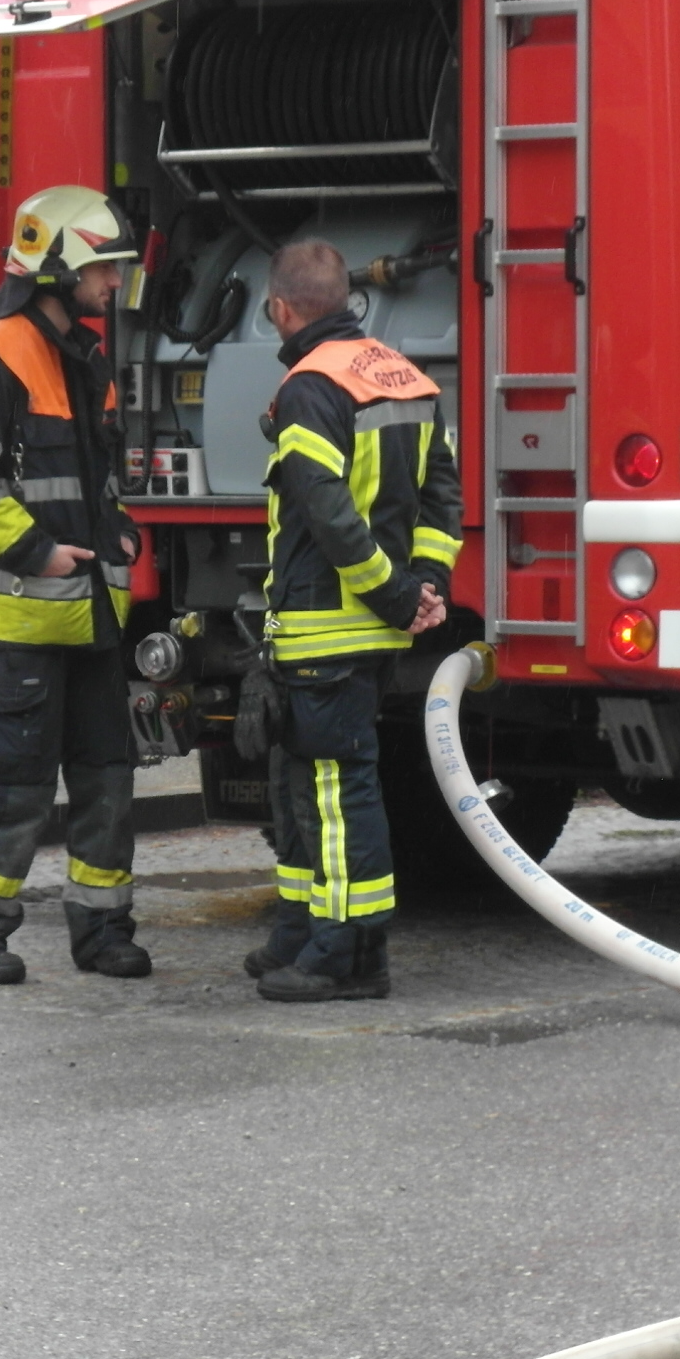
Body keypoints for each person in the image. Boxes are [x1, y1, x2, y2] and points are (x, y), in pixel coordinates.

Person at [0, 185, 149, 985]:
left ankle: (103, 932)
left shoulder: (83, 357)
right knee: (11, 786)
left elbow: (96, 480)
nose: (115, 282)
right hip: (30, 621)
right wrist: (37, 552)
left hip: (94, 622)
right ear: (58, 268)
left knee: (107, 782)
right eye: (104, 267)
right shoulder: (2, 354)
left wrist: (119, 530)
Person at [244, 238, 461, 1002]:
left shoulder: (310, 387)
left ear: (282, 309)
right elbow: (441, 498)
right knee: (299, 787)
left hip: (327, 627)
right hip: (351, 630)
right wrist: (425, 583)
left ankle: (350, 956)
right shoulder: (407, 377)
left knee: (336, 795)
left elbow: (328, 515)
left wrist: (396, 594)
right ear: (345, 300)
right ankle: (300, 931)